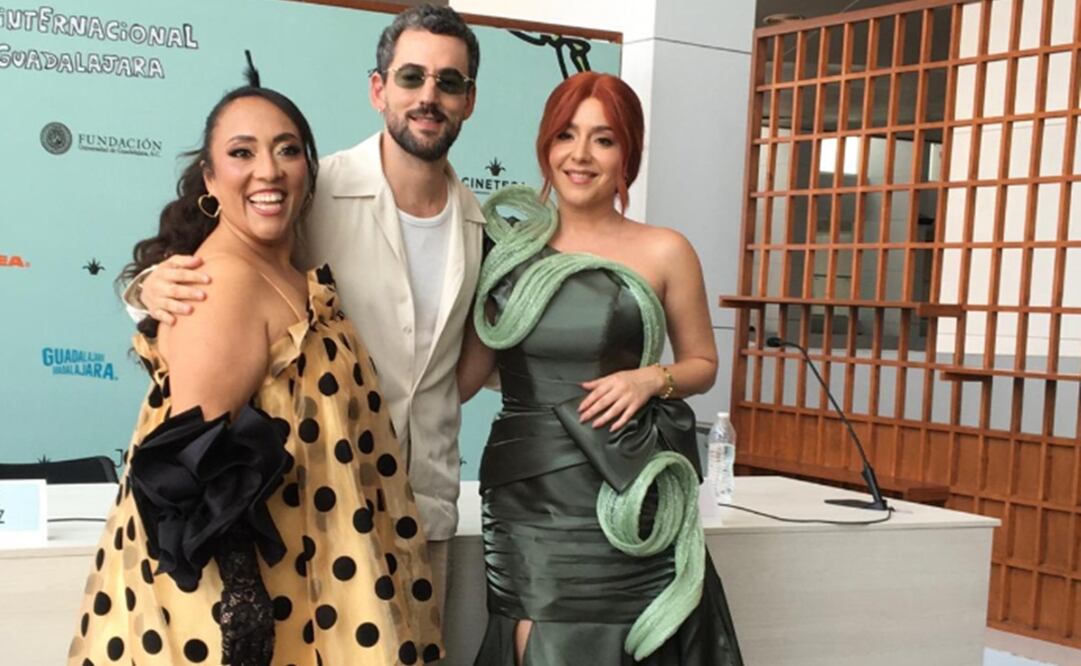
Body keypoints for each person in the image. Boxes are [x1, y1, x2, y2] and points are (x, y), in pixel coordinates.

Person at [70, 65, 442, 666]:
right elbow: (189, 477)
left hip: (317, 573)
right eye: (242, 153)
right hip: (245, 612)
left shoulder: (294, 276)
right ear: (210, 182)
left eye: (287, 150)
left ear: (308, 173)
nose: (268, 170)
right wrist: (244, 612)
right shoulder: (223, 283)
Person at [127, 4, 484, 615]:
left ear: (468, 100)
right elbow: (219, 267)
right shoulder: (310, 191)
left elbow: (457, 368)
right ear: (379, 89)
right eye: (411, 77)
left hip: (425, 513)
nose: (429, 96)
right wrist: (144, 292)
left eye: (448, 82)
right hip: (318, 522)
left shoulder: (480, 226)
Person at [457, 72, 744, 665]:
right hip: (528, 490)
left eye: (603, 139)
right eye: (566, 135)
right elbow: (464, 376)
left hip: (626, 479)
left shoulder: (666, 249)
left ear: (627, 154)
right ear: (545, 146)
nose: (580, 155)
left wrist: (650, 378)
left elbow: (703, 364)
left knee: (635, 638)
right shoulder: (503, 252)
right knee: (533, 636)